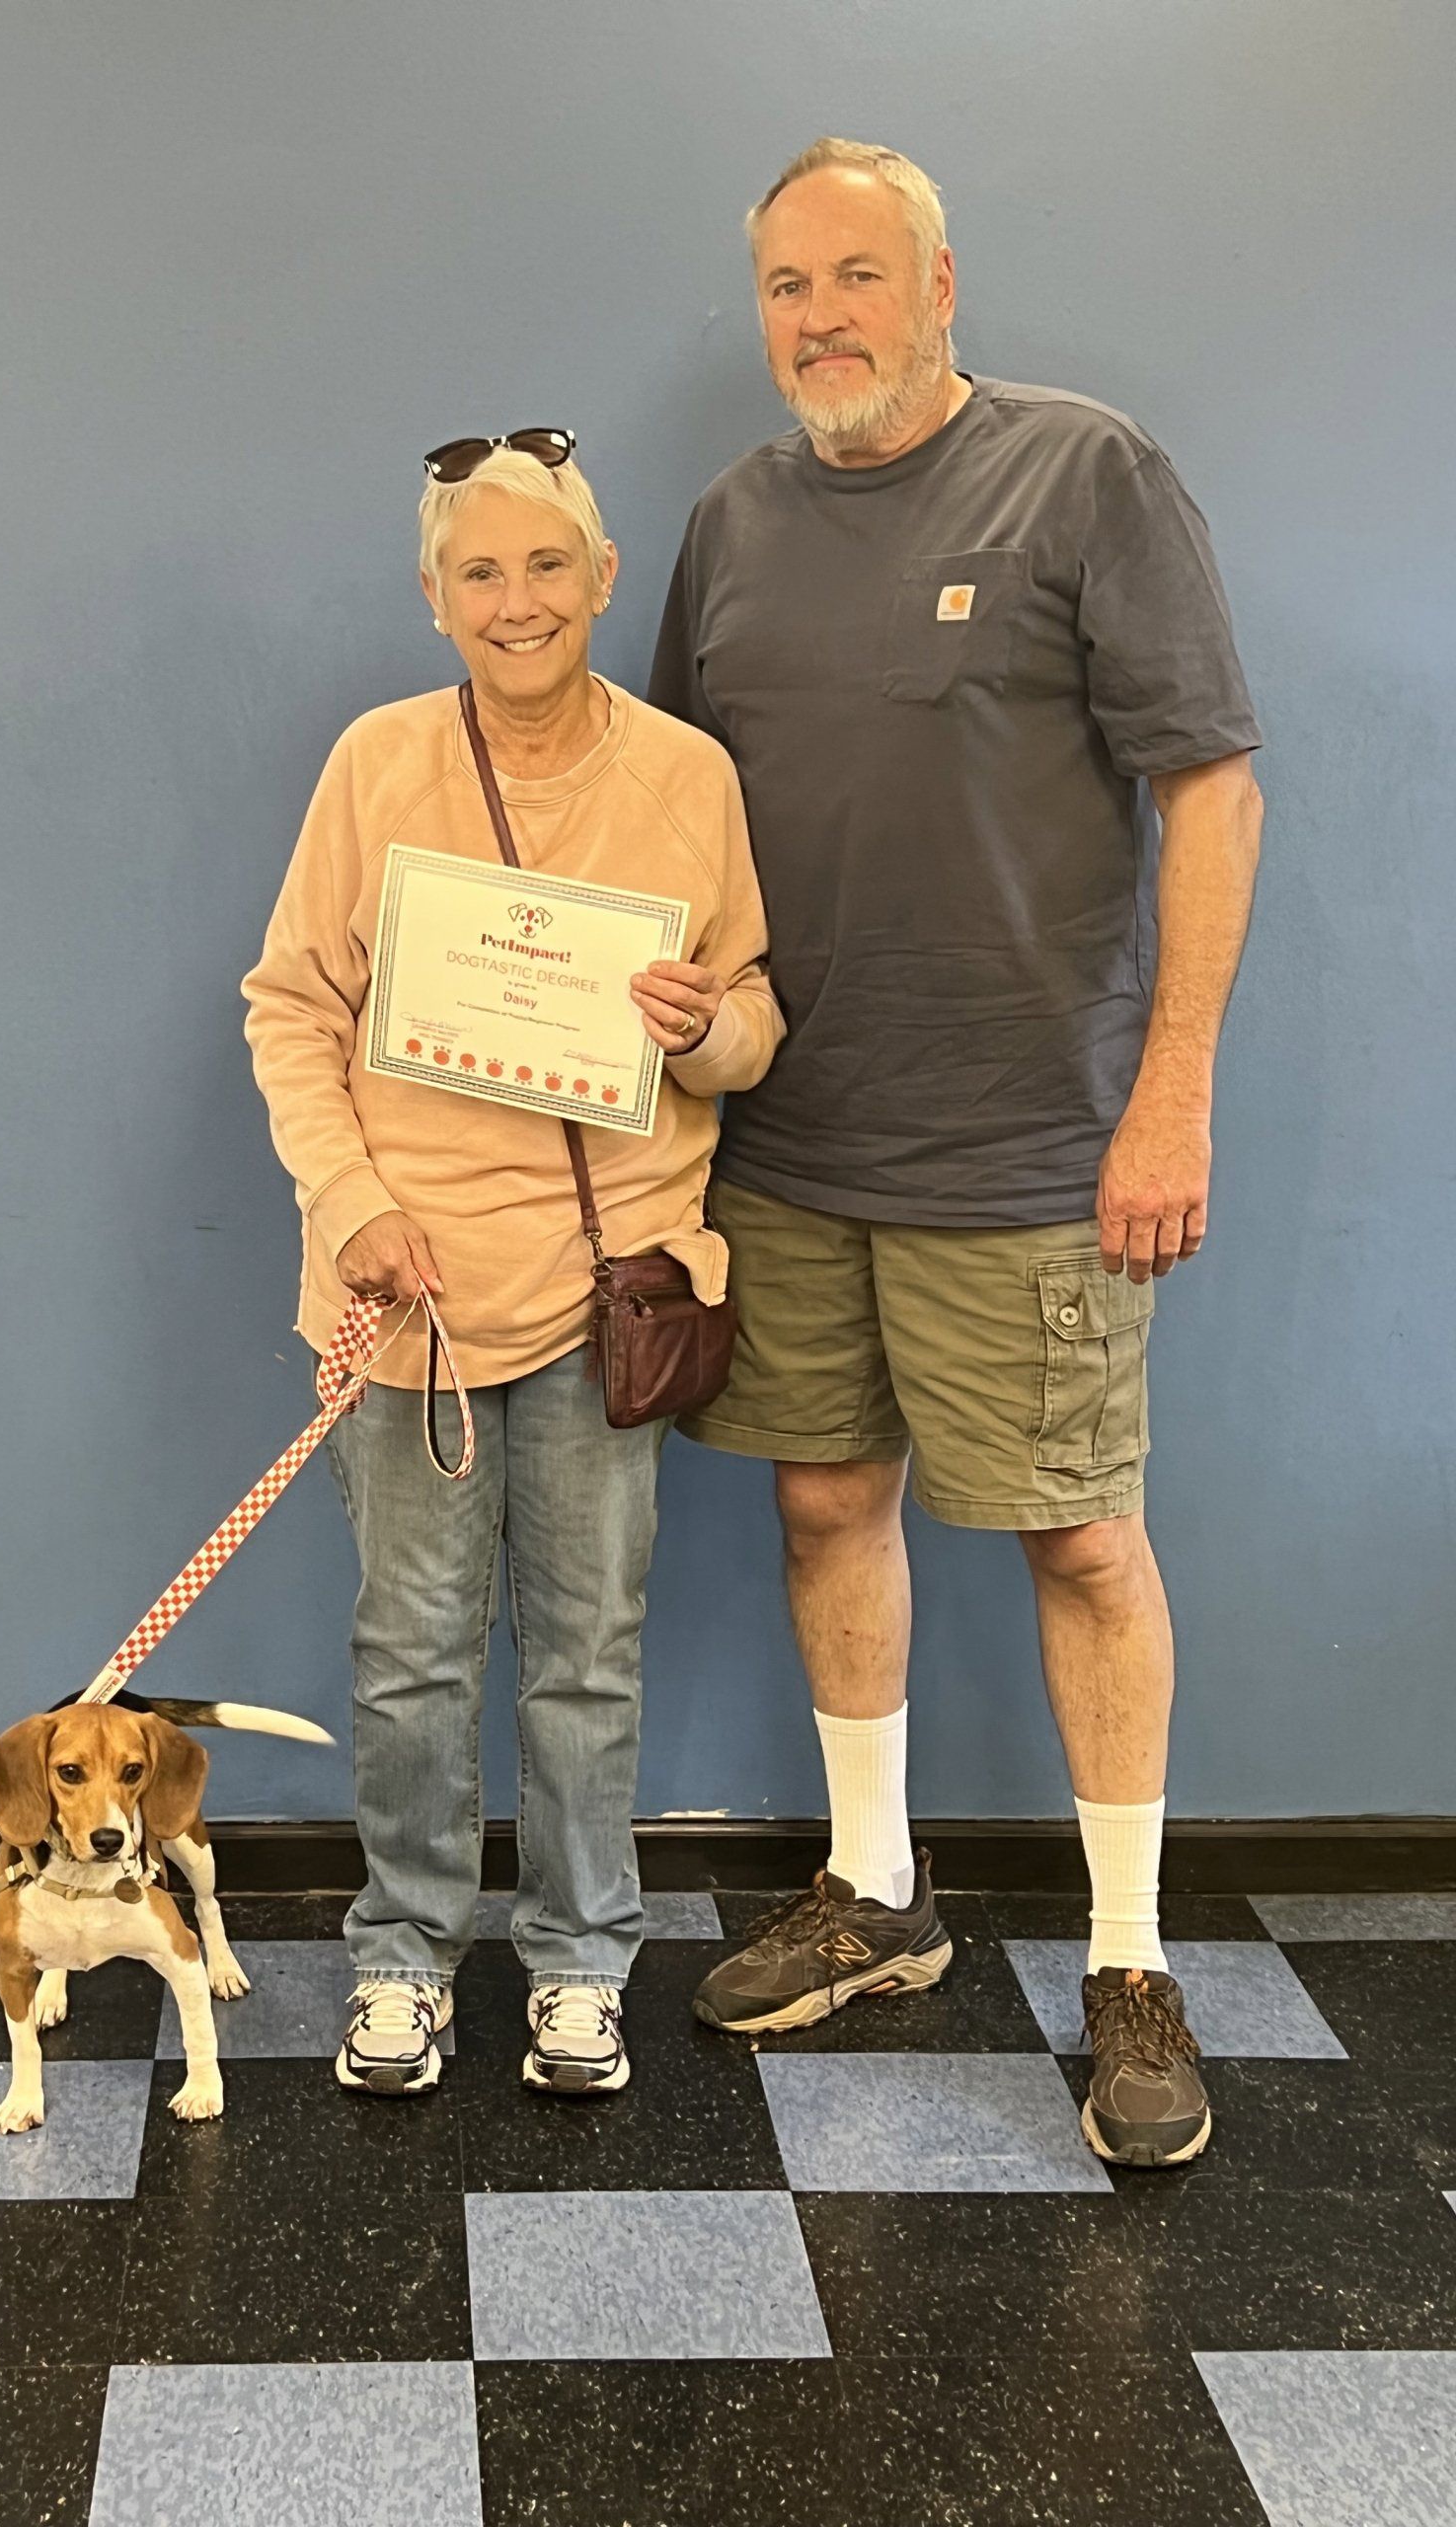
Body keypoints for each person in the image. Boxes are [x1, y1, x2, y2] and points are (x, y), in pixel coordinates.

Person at [650, 138, 1264, 2167]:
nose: (813, 318)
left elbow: (1212, 786)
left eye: (850, 275)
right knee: (830, 1502)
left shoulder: (1087, 476)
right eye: (781, 286)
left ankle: (1127, 1959)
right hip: (794, 1142)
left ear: (935, 281)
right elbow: (669, 825)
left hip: (1033, 1145)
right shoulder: (730, 522)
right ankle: (877, 1888)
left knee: (1081, 1538)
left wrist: (1170, 1087)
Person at [243, 435, 782, 2098]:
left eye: (547, 565)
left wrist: (707, 1037)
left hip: (608, 1293)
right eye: (479, 572)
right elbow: (291, 1010)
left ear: (603, 581)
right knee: (408, 1652)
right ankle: (402, 1951)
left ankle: (579, 1953)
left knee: (586, 1650)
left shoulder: (688, 775)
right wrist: (349, 1207)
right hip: (405, 1297)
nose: (517, 600)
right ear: (433, 599)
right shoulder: (377, 763)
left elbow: (755, 1019)